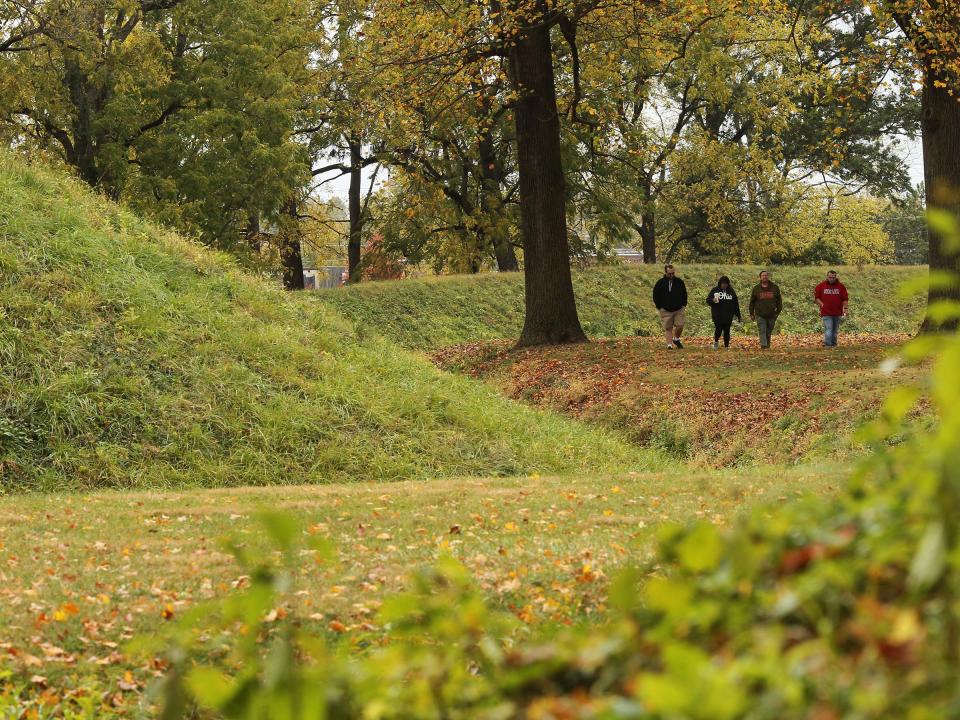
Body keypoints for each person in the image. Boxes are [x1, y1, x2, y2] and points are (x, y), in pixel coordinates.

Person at [652, 264, 688, 349]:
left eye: (673, 273)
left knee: (680, 325)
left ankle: (676, 338)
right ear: (665, 272)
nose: (671, 275)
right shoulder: (660, 283)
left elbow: (684, 293)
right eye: (669, 274)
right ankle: (669, 345)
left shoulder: (679, 282)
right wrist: (659, 307)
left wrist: (684, 305)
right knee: (668, 328)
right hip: (665, 310)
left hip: (679, 309)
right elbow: (655, 295)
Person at [705, 275, 742, 350]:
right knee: (718, 329)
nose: (724, 285)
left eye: (726, 283)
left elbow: (735, 303)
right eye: (722, 283)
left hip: (728, 315)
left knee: (727, 331)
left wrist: (738, 315)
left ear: (728, 284)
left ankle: (726, 346)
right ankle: (716, 342)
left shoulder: (731, 291)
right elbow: (708, 300)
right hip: (717, 315)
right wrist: (713, 300)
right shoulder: (715, 290)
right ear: (720, 283)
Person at [814, 270, 849, 347]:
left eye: (833, 277)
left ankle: (834, 344)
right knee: (829, 329)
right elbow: (817, 298)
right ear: (827, 277)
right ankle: (827, 345)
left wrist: (845, 308)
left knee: (835, 330)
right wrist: (822, 305)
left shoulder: (841, 286)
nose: (831, 279)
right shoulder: (821, 286)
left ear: (835, 277)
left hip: (837, 312)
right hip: (826, 312)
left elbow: (845, 298)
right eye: (830, 277)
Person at [749, 270, 783, 349]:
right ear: (760, 277)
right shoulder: (756, 288)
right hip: (760, 314)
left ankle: (767, 346)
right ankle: (763, 345)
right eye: (763, 275)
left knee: (768, 331)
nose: (765, 277)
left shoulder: (775, 287)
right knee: (762, 329)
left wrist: (778, 311)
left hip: (772, 314)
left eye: (766, 275)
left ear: (768, 277)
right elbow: (752, 302)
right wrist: (751, 313)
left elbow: (779, 300)